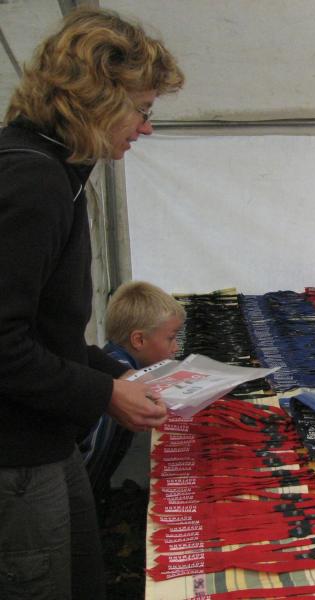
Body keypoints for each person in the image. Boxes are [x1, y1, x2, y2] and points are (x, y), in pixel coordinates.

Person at [0, 8, 184, 598]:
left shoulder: (56, 170)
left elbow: (44, 334)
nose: (145, 129)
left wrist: (122, 373)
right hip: (16, 457)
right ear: (96, 98)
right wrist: (105, 394)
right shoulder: (32, 181)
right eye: (142, 110)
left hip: (43, 442)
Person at [82, 281, 186, 500]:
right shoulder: (120, 388)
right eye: (170, 338)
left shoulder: (111, 362)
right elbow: (92, 456)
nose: (175, 348)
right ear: (139, 340)